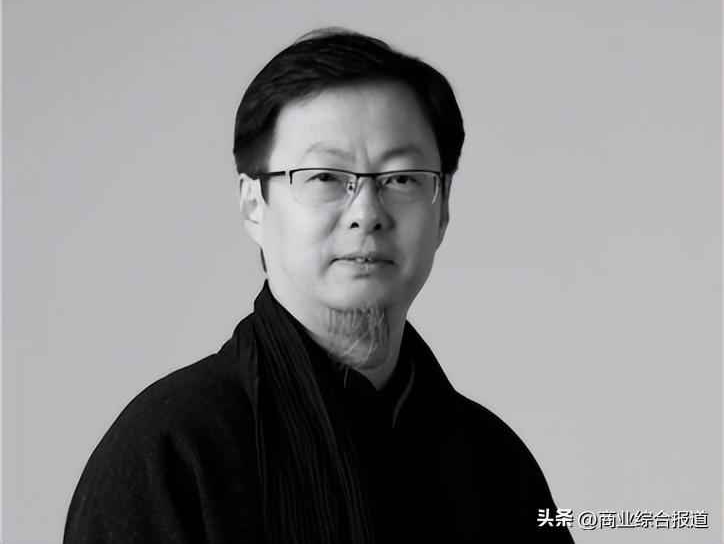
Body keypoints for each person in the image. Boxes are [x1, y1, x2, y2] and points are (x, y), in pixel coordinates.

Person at [64, 28, 574, 544]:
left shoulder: (498, 464)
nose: (366, 214)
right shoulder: (171, 450)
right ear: (253, 205)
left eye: (401, 178)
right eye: (325, 177)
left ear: (442, 211)